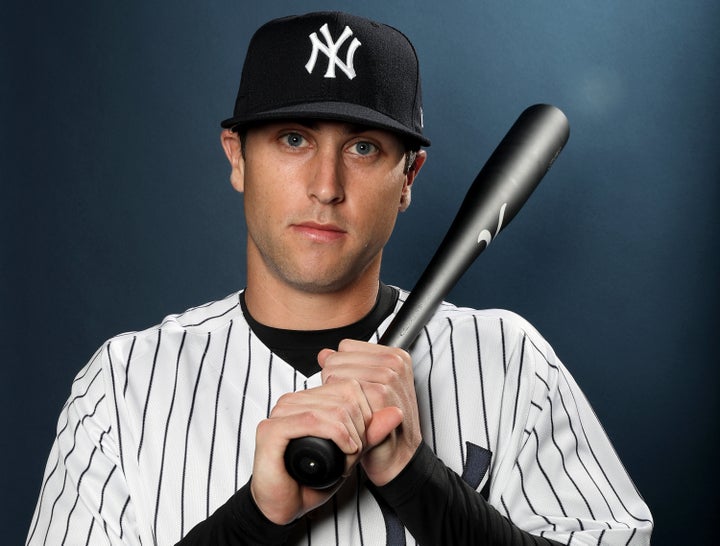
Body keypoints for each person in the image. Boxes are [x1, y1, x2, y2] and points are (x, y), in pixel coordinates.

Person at [27, 11, 653, 546]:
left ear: (408, 179)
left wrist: (417, 479)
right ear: (237, 157)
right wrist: (256, 520)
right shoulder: (124, 381)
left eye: (363, 148)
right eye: (294, 138)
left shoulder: (511, 361)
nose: (326, 186)